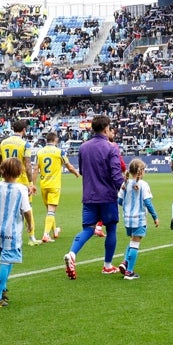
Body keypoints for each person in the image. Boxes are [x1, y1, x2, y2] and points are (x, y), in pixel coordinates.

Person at [64, 115, 126, 279]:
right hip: (107, 196)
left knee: (88, 229)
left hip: (89, 195)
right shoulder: (111, 147)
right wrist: (126, 189)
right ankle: (107, 265)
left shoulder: (84, 147)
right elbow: (116, 174)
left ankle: (72, 253)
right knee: (111, 228)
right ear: (106, 128)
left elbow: (83, 171)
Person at [0, 157, 33, 307]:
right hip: (12, 231)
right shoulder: (21, 189)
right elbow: (27, 210)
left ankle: (3, 289)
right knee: (6, 261)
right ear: (18, 172)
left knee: (5, 257)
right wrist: (30, 225)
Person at [33, 130, 80, 243]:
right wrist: (76, 173)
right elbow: (68, 166)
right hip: (54, 185)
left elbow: (35, 169)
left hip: (43, 184)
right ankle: (46, 234)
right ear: (56, 140)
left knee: (49, 210)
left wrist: (33, 184)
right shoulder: (60, 152)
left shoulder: (39, 152)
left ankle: (55, 231)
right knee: (51, 211)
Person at [117, 158, 159, 280]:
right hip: (139, 219)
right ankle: (129, 272)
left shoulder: (125, 183)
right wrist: (155, 217)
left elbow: (119, 201)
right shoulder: (143, 185)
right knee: (135, 243)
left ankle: (125, 262)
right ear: (141, 172)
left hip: (128, 219)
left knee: (132, 240)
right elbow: (148, 202)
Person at [0, 119, 37, 241]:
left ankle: (1, 237)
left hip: (7, 181)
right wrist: (31, 183)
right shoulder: (25, 145)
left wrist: (3, 173)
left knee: (7, 210)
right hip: (22, 181)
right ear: (24, 130)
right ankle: (31, 238)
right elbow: (28, 165)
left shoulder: (3, 143)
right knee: (27, 208)